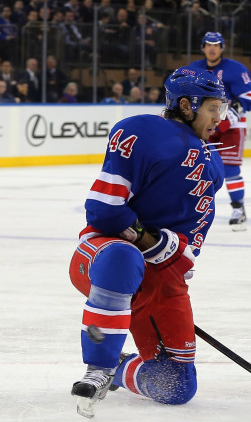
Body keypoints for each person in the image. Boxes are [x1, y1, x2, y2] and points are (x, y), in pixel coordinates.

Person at [68, 67, 226, 417]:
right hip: (101, 256)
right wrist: (148, 241)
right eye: (213, 108)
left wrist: (173, 254)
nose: (219, 117)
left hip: (157, 275)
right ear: (187, 105)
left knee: (177, 385)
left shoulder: (213, 166)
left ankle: (120, 370)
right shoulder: (141, 130)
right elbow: (103, 211)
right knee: (124, 259)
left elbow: (187, 246)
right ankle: (98, 368)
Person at [189, 32, 251, 230]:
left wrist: (231, 116)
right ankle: (195, 210)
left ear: (222, 48)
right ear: (202, 47)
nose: (212, 48)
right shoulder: (193, 69)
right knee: (196, 167)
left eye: (216, 45)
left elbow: (249, 98)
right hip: (203, 125)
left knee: (230, 169)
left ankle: (238, 208)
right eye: (208, 45)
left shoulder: (235, 69)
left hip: (230, 127)